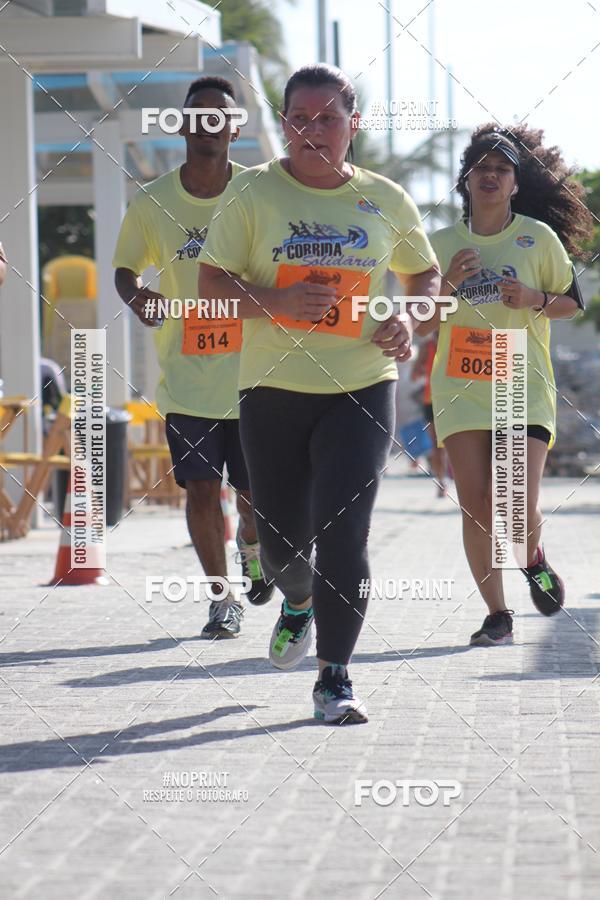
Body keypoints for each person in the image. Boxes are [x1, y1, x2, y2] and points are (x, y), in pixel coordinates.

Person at [199, 64, 440, 723]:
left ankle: (335, 676)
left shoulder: (386, 200)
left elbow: (424, 278)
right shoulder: (252, 195)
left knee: (344, 533)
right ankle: (297, 602)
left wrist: (409, 320)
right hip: (271, 388)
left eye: (328, 118)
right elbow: (210, 284)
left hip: (361, 385)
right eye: (300, 119)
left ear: (352, 126)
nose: (313, 131)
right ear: (283, 125)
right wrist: (275, 299)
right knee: (280, 546)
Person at [113, 76, 273, 639]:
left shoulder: (261, 192)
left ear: (235, 127)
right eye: (197, 114)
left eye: (219, 115)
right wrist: (139, 299)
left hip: (257, 373)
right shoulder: (153, 200)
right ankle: (221, 598)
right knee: (203, 489)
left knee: (256, 497)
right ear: (182, 124)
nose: (208, 123)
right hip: (187, 378)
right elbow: (125, 271)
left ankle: (253, 545)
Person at [422, 125, 592, 646]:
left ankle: (532, 558)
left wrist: (533, 298)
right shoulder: (440, 243)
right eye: (481, 167)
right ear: (466, 179)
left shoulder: (537, 238)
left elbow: (571, 303)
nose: (490, 175)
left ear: (515, 183)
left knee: (516, 504)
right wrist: (447, 283)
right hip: (461, 387)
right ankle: (497, 615)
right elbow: (420, 320)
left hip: (521, 383)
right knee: (475, 502)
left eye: (502, 169)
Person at [410, 333, 448, 496]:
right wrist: (423, 369)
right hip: (431, 400)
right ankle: (441, 481)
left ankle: (446, 479)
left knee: (448, 445)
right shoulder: (428, 346)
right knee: (438, 445)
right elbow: (414, 375)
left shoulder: (454, 339)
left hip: (452, 399)